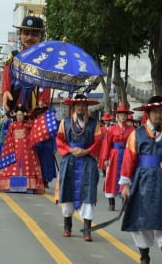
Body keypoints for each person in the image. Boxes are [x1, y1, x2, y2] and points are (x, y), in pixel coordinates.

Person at [119, 96, 162, 264]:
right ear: (147, 113)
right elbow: (129, 160)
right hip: (143, 182)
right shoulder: (136, 135)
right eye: (155, 112)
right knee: (142, 219)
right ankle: (144, 257)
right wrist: (125, 185)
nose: (159, 115)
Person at [56, 94, 102, 242]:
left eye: (84, 105)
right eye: (78, 105)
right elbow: (60, 140)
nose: (81, 108)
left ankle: (87, 230)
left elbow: (99, 142)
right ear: (74, 107)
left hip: (87, 161)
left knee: (88, 192)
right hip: (70, 160)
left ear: (87, 107)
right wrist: (70, 150)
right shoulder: (65, 122)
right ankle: (67, 226)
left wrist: (87, 151)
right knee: (67, 190)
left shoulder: (94, 123)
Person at [2, 16, 50, 112]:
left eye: (34, 35)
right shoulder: (13, 58)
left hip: (36, 113)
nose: (29, 38)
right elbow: (6, 83)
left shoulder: (45, 61)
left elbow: (46, 87)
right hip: (15, 110)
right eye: (26, 33)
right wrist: (5, 94)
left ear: (41, 37)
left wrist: (42, 101)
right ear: (20, 35)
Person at [0, 104, 45, 194]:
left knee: (26, 168)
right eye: (17, 115)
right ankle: (12, 187)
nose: (19, 117)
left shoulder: (28, 124)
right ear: (15, 116)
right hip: (15, 150)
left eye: (21, 115)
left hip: (27, 151)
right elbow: (9, 138)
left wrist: (34, 111)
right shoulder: (12, 125)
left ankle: (28, 187)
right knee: (13, 168)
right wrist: (9, 149)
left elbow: (36, 124)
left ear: (24, 115)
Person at [101, 104, 134, 211]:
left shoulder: (132, 130)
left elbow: (134, 144)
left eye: (125, 114)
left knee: (126, 176)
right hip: (114, 155)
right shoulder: (111, 129)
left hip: (127, 155)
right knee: (111, 177)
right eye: (121, 115)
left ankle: (125, 202)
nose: (123, 116)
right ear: (117, 116)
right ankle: (111, 203)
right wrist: (105, 159)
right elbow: (107, 144)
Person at [98, 112, 113, 178]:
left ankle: (109, 171)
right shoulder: (101, 129)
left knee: (109, 157)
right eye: (106, 120)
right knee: (102, 158)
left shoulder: (112, 128)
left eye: (108, 120)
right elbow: (99, 138)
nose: (107, 122)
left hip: (110, 144)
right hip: (103, 145)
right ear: (104, 121)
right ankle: (103, 171)